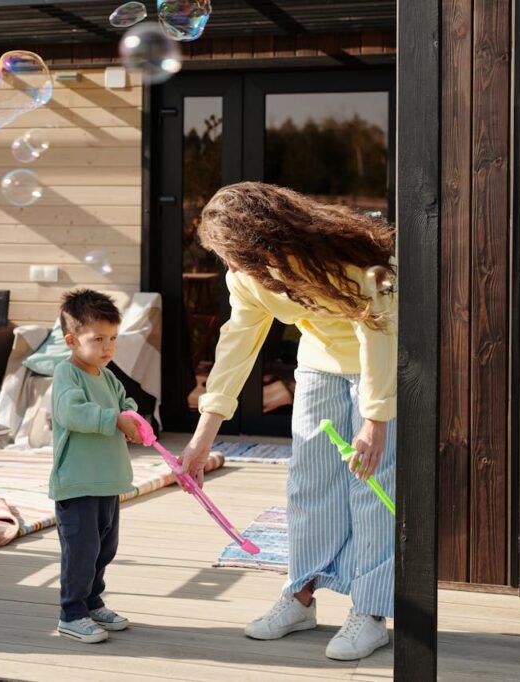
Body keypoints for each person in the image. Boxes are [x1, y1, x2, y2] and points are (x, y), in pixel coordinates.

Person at [180, 182, 397, 661]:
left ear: (264, 240)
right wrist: (201, 439)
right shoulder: (247, 277)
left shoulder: (352, 258)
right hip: (319, 366)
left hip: (380, 367)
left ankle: (371, 610)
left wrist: (375, 418)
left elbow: (380, 332)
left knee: (373, 488)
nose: (231, 268)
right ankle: (301, 596)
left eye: (235, 254)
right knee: (308, 484)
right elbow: (237, 346)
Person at [48, 290, 144, 643]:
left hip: (106, 481)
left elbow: (125, 402)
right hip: (77, 482)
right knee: (81, 550)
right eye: (98, 339)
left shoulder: (107, 376)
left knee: (104, 548)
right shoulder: (67, 374)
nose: (108, 347)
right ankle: (71, 612)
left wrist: (131, 416)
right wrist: (114, 420)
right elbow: (70, 413)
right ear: (72, 341)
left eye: (113, 338)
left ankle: (92, 600)